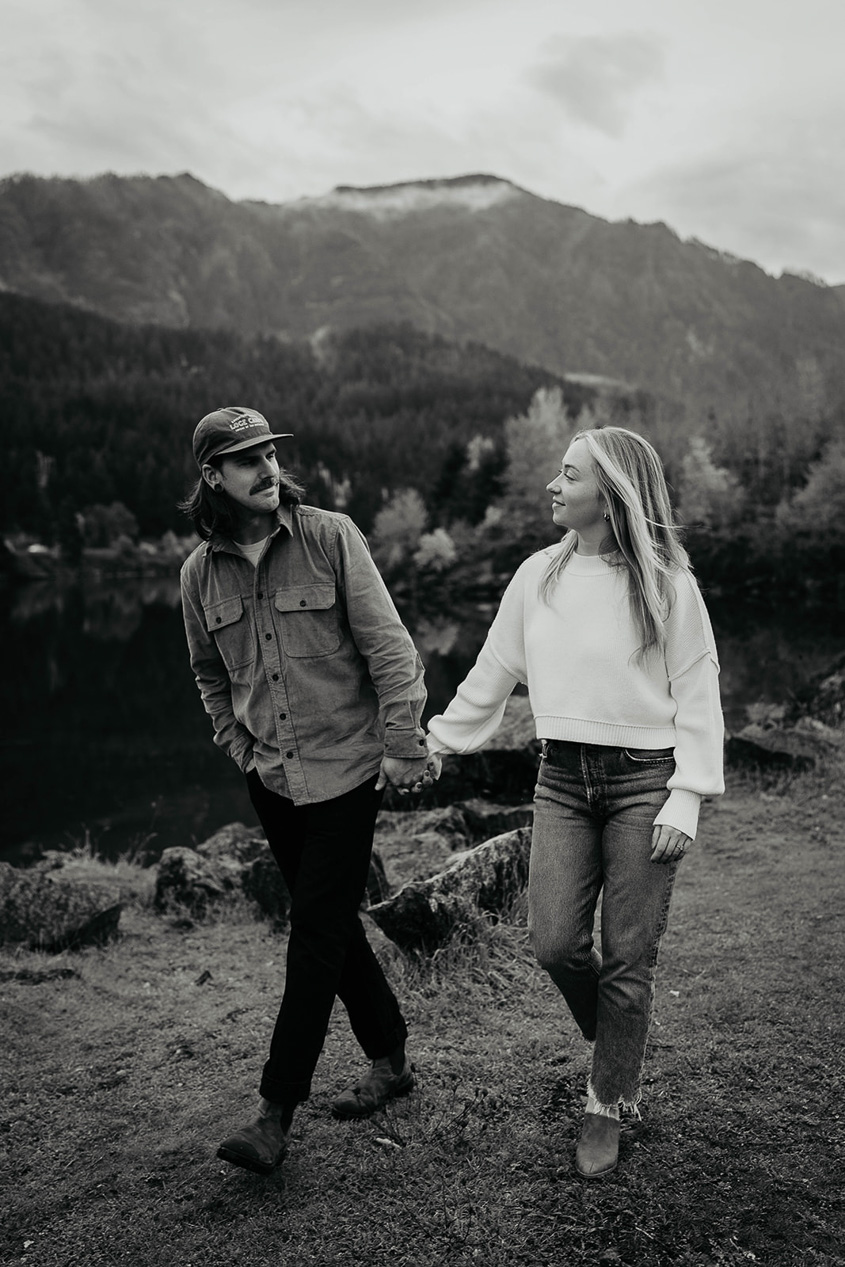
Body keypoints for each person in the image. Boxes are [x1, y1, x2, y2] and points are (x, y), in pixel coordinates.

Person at [426, 426, 724, 1178]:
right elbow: (493, 670)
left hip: (643, 780)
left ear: (610, 493)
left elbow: (697, 694)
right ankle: (621, 1042)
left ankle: (605, 1100)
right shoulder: (536, 575)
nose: (552, 487)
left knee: (628, 957)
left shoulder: (665, 583)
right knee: (553, 941)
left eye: (568, 476)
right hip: (559, 776)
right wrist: (436, 741)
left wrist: (685, 796)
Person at [180, 405, 434, 1175]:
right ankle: (390, 1060)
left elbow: (389, 646)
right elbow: (208, 675)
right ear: (212, 475)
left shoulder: (329, 535)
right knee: (332, 924)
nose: (266, 468)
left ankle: (273, 1112)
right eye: (246, 458)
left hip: (347, 769)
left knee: (314, 932)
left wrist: (402, 739)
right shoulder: (199, 574)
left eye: (269, 453)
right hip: (273, 781)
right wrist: (236, 746)